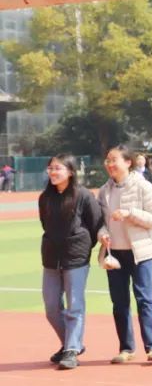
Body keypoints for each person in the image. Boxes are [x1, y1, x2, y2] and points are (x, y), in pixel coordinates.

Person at [97, 145, 152, 364]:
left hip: (140, 252)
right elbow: (100, 222)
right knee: (119, 302)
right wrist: (102, 234)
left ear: (128, 162)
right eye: (107, 160)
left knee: (145, 299)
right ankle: (126, 348)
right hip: (114, 254)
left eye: (114, 160)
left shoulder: (143, 186)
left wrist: (130, 213)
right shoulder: (104, 191)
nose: (110, 164)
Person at [39, 153, 102, 370]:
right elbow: (45, 223)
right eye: (51, 168)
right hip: (51, 257)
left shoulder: (83, 195)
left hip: (76, 257)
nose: (53, 172)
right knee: (51, 307)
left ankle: (71, 349)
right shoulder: (45, 197)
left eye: (58, 168)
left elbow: (95, 223)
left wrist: (81, 245)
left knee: (75, 305)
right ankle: (71, 344)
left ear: (71, 172)